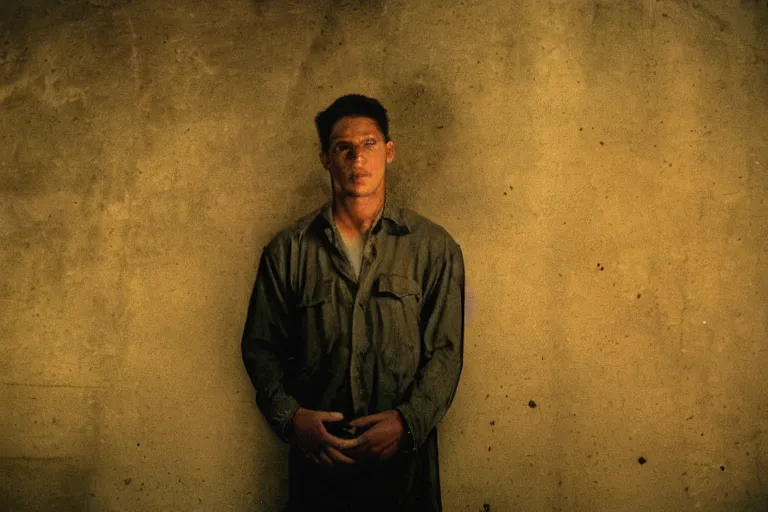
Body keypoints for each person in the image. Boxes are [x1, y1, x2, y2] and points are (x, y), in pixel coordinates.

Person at [241, 93, 465, 511]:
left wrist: (406, 422)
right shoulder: (287, 251)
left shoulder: (434, 248)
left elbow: (446, 354)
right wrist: (292, 419)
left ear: (389, 152)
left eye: (369, 144)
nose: (356, 158)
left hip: (405, 476)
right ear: (325, 157)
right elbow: (261, 349)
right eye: (343, 147)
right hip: (320, 474)